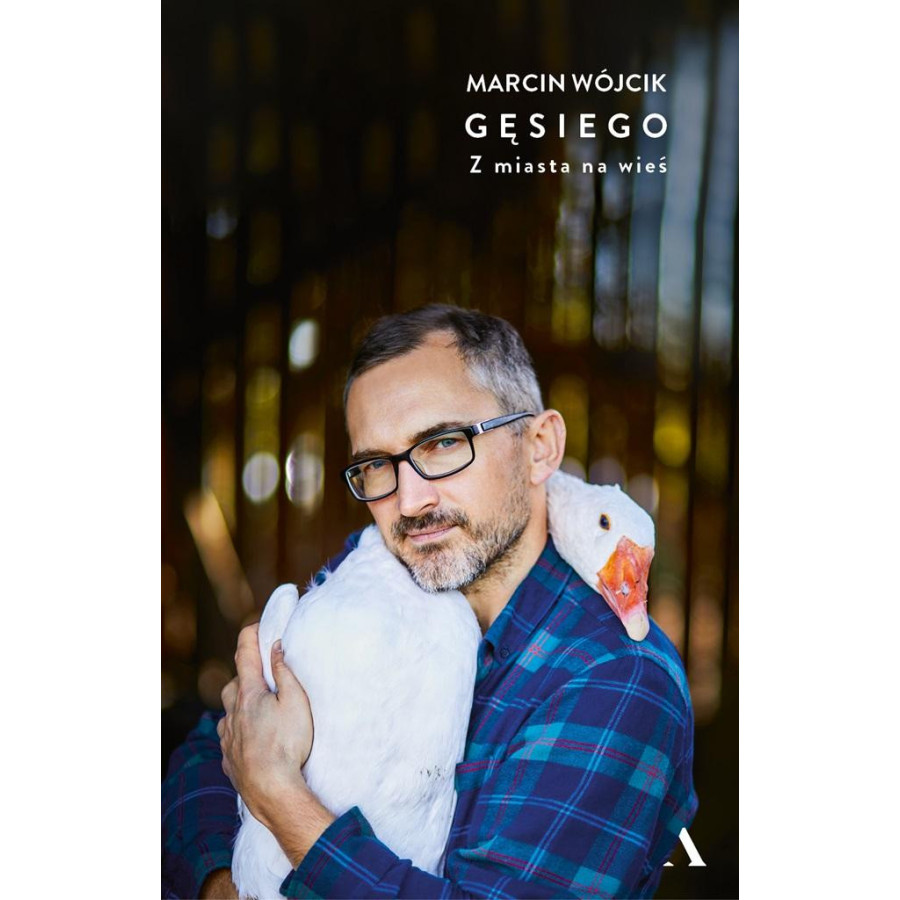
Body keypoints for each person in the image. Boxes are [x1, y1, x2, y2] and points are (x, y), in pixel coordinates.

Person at [162, 304, 698, 899]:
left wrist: (277, 795)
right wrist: (224, 886)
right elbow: (214, 749)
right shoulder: (382, 568)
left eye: (443, 443)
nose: (411, 501)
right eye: (376, 465)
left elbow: (252, 765)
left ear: (539, 446)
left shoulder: (613, 675)